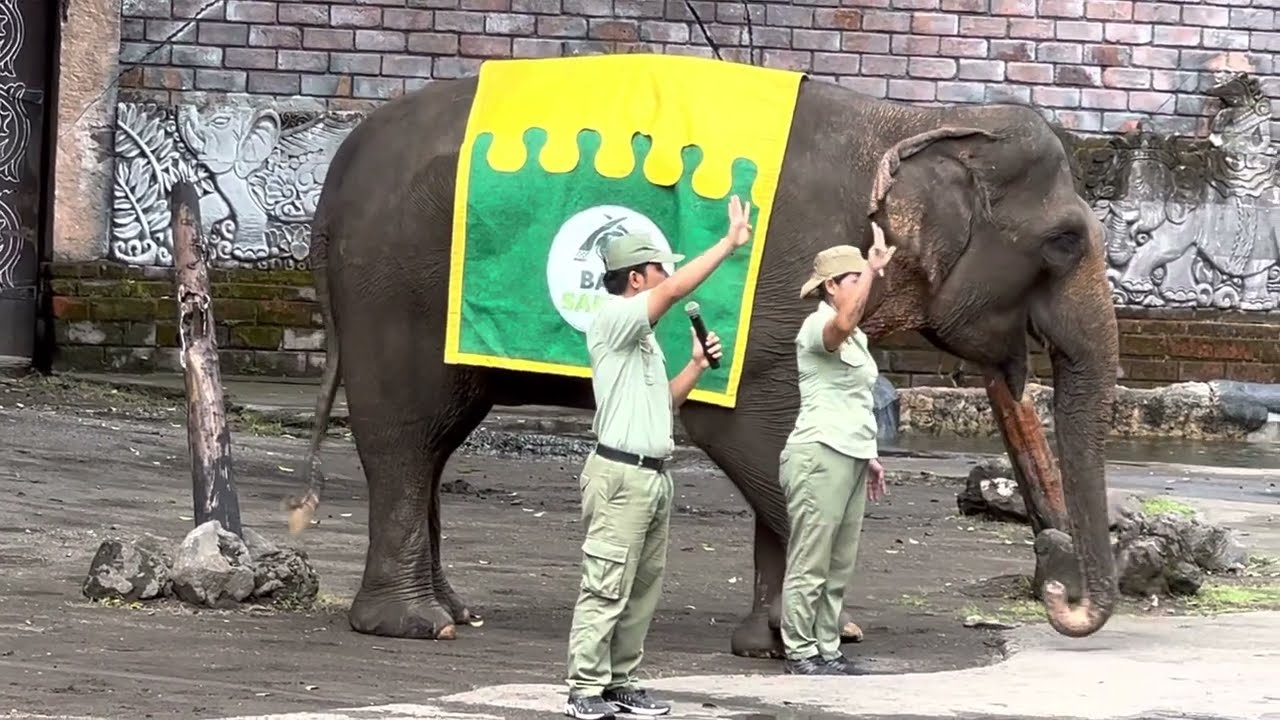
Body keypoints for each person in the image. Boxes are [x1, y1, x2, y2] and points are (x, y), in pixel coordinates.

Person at [563, 196, 754, 720]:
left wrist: (694, 366)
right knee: (606, 582)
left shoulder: (641, 339)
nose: (667, 275)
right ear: (637, 278)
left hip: (651, 475)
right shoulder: (615, 317)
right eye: (659, 268)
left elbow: (663, 403)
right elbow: (676, 290)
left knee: (641, 588)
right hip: (621, 475)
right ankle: (584, 687)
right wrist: (728, 243)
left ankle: (620, 681)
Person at [778, 225, 896, 676]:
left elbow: (852, 399)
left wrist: (868, 454)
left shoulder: (858, 339)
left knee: (838, 562)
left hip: (848, 454)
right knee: (811, 559)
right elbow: (843, 322)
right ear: (831, 286)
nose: (862, 289)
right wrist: (871, 266)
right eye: (853, 281)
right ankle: (801, 649)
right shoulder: (817, 326)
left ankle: (827, 648)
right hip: (818, 453)